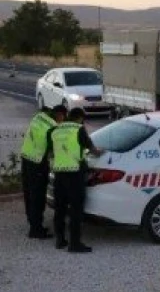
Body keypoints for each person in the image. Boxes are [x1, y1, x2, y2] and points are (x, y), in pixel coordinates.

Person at [46, 106, 101, 253]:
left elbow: (51, 152)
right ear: (80, 118)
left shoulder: (54, 130)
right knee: (76, 210)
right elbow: (92, 149)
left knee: (60, 209)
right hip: (75, 175)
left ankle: (60, 240)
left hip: (59, 174)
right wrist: (100, 152)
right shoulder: (78, 129)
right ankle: (75, 244)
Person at [19, 105, 63, 239]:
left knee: (29, 193)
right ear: (60, 115)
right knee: (37, 197)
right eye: (63, 117)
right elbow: (55, 149)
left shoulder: (38, 117)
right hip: (37, 163)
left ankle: (32, 222)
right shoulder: (52, 128)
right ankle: (36, 230)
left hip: (26, 158)